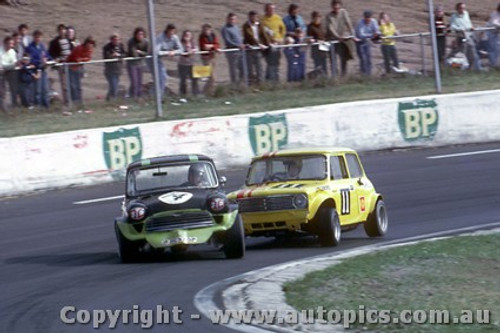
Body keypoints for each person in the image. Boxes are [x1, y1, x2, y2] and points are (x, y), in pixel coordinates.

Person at [325, 0, 357, 76]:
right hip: (332, 39)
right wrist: (337, 37)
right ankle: (335, 75)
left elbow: (348, 23)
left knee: (344, 57)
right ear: (332, 7)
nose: (336, 8)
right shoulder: (329, 16)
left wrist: (352, 35)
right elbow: (331, 28)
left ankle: (344, 75)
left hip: (342, 38)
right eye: (335, 7)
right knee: (333, 59)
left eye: (338, 7)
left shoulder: (344, 12)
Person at [25, 30, 53, 109]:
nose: (38, 39)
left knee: (45, 89)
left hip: (43, 70)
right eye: (36, 37)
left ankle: (46, 106)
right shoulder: (30, 48)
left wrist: (48, 60)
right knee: (37, 90)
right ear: (33, 37)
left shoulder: (42, 46)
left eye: (39, 37)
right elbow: (30, 60)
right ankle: (38, 106)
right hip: (35, 71)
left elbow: (47, 56)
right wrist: (40, 61)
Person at [449, 2, 481, 71]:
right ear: (457, 9)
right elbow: (452, 26)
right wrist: (460, 29)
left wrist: (470, 27)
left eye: (463, 8)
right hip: (460, 37)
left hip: (468, 35)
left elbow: (468, 23)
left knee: (472, 52)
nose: (462, 9)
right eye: (461, 8)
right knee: (461, 52)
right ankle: (457, 67)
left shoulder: (466, 14)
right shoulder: (454, 16)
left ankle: (471, 68)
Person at [66, 36, 95, 109]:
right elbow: (76, 59)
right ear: (86, 43)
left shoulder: (90, 50)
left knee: (78, 86)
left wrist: (82, 59)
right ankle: (73, 102)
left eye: (92, 44)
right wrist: (82, 59)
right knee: (72, 86)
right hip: (70, 67)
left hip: (78, 68)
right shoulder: (79, 48)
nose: (90, 45)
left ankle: (79, 102)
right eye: (89, 43)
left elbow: (88, 58)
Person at [242, 10, 271, 85]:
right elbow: (250, 36)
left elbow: (264, 34)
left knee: (259, 67)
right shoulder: (246, 25)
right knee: (250, 68)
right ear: (249, 17)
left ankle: (261, 84)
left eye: (255, 16)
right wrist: (259, 44)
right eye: (252, 16)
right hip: (250, 49)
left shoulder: (259, 24)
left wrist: (268, 44)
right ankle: (250, 84)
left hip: (258, 49)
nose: (254, 18)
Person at [154, 24, 182, 101]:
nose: (172, 33)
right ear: (167, 30)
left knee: (163, 77)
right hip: (152, 58)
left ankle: (158, 97)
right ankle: (157, 97)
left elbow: (181, 50)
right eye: (170, 31)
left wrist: (174, 52)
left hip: (160, 59)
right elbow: (156, 51)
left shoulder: (175, 38)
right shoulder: (160, 37)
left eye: (173, 31)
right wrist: (167, 53)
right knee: (160, 77)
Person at [261, 3, 285, 82]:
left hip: (278, 44)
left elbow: (283, 29)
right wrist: (269, 41)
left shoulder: (278, 18)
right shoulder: (262, 20)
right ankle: (272, 80)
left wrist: (280, 38)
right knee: (271, 63)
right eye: (270, 9)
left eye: (273, 9)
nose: (272, 11)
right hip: (269, 45)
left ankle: (271, 79)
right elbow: (262, 32)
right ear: (266, 10)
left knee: (276, 62)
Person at [49, 24, 72, 104]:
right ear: (58, 31)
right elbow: (51, 53)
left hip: (71, 64)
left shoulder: (69, 40)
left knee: (71, 83)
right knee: (64, 84)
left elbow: (72, 50)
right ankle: (67, 101)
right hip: (62, 65)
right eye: (60, 30)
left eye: (63, 29)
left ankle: (73, 100)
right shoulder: (54, 42)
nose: (62, 31)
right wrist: (56, 58)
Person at [221, 13, 245, 84]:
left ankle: (241, 83)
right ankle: (234, 84)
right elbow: (228, 41)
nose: (232, 21)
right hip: (232, 51)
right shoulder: (225, 29)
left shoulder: (236, 27)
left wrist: (242, 44)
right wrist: (238, 45)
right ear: (227, 19)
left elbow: (240, 37)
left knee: (242, 68)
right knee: (234, 69)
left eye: (234, 19)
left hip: (240, 51)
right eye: (231, 19)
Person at [355, 10, 380, 76]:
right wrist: (372, 35)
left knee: (368, 58)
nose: (368, 19)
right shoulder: (360, 23)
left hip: (367, 42)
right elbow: (361, 35)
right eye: (366, 17)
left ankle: (369, 75)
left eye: (369, 17)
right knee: (363, 59)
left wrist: (376, 34)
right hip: (359, 42)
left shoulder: (373, 21)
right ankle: (363, 75)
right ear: (364, 17)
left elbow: (377, 31)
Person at [127, 27, 149, 100]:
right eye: (138, 34)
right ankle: (133, 97)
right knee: (134, 82)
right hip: (132, 64)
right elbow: (134, 54)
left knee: (140, 82)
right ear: (135, 34)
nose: (140, 36)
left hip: (141, 64)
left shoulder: (146, 42)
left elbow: (147, 53)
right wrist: (139, 53)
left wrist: (140, 52)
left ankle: (139, 97)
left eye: (141, 34)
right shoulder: (131, 41)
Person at [103, 33, 126, 101]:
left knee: (113, 87)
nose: (116, 41)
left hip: (118, 69)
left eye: (117, 40)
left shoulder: (121, 46)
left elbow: (125, 54)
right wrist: (113, 55)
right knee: (114, 87)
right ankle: (113, 101)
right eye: (114, 40)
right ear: (111, 40)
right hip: (110, 71)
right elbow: (106, 57)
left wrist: (119, 55)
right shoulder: (107, 47)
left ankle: (108, 100)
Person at [198, 23, 220, 96]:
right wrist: (212, 46)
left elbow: (217, 44)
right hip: (206, 59)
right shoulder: (201, 37)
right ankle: (208, 93)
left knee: (211, 77)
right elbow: (204, 47)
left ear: (210, 30)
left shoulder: (213, 35)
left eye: (208, 30)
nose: (206, 31)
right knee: (212, 77)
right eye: (205, 30)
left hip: (213, 57)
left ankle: (206, 92)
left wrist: (212, 46)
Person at [178, 30, 199, 96]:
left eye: (189, 35)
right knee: (183, 80)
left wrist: (192, 50)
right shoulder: (181, 43)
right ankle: (183, 94)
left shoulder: (193, 43)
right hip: (183, 64)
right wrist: (187, 44)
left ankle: (195, 94)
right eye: (186, 35)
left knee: (194, 79)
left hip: (192, 64)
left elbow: (196, 49)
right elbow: (182, 51)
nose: (187, 36)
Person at [1, 37, 20, 110]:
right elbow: (1, 64)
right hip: (1, 73)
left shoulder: (13, 52)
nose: (11, 45)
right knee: (2, 90)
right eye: (10, 43)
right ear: (5, 43)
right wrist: (12, 65)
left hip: (11, 72)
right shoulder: (0, 51)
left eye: (12, 43)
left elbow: (14, 62)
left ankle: (14, 106)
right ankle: (2, 107)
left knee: (13, 89)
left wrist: (14, 64)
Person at [307, 11, 328, 75]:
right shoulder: (310, 27)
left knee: (324, 65)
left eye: (319, 17)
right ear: (313, 18)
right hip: (316, 49)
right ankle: (316, 79)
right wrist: (316, 41)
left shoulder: (322, 26)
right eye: (317, 17)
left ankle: (325, 79)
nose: (318, 18)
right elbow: (309, 38)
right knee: (318, 66)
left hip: (323, 48)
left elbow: (325, 35)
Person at [487, 3, 500, 68]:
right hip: (490, 33)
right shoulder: (495, 14)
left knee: (497, 49)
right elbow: (494, 23)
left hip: (497, 34)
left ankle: (495, 63)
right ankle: (492, 64)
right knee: (492, 49)